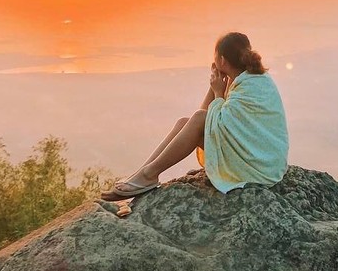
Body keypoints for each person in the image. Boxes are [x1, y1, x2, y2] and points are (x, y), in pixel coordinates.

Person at [101, 32, 289, 200]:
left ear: (222, 60)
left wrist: (217, 93)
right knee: (184, 122)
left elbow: (215, 122)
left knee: (198, 117)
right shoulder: (248, 78)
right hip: (255, 156)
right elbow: (203, 123)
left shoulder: (250, 85)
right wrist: (214, 88)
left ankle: (148, 175)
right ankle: (143, 174)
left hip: (259, 167)